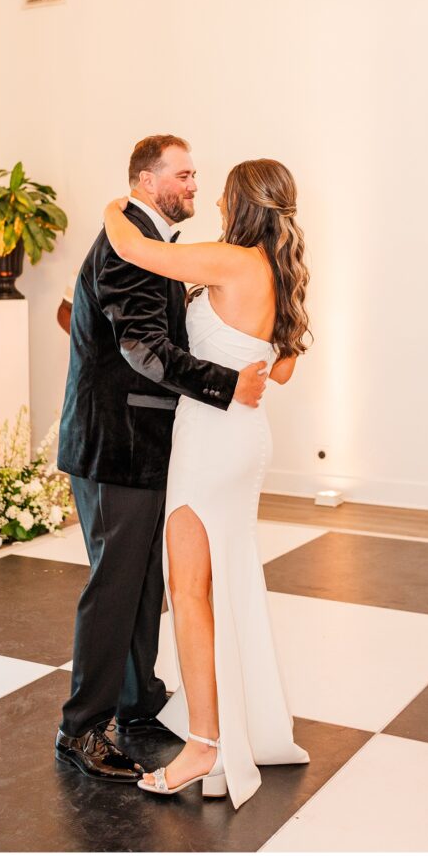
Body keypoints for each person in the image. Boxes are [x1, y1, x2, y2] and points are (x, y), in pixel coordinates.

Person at [55, 135, 268, 783]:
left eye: (196, 175)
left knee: (145, 586)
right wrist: (227, 386)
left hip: (143, 449)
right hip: (114, 446)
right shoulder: (129, 247)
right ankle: (81, 731)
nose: (193, 185)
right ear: (146, 181)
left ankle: (138, 701)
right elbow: (143, 349)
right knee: (115, 590)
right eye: (182, 175)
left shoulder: (150, 244)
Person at [103, 157, 312, 809]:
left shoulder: (230, 260)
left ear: (237, 202)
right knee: (228, 582)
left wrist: (118, 202)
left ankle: (204, 747)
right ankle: (234, 726)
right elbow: (278, 374)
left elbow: (132, 245)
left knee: (190, 592)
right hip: (246, 439)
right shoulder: (280, 272)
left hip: (210, 442)